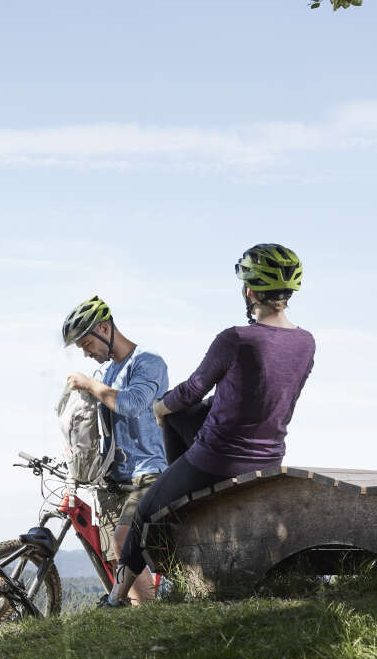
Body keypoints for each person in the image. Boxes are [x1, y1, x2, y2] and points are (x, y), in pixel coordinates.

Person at [108, 244, 316, 604]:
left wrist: (159, 407)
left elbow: (190, 391)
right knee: (181, 417)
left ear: (249, 291)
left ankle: (114, 598)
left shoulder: (235, 338)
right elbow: (266, 394)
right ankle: (184, 490)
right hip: (269, 455)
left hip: (219, 457)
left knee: (143, 511)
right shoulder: (306, 343)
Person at [61, 295, 169, 604]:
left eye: (86, 344)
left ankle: (149, 617)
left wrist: (90, 386)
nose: (86, 352)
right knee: (118, 558)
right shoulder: (106, 373)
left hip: (146, 473)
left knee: (125, 544)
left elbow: (134, 404)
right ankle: (146, 619)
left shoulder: (147, 361)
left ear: (105, 329)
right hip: (112, 478)